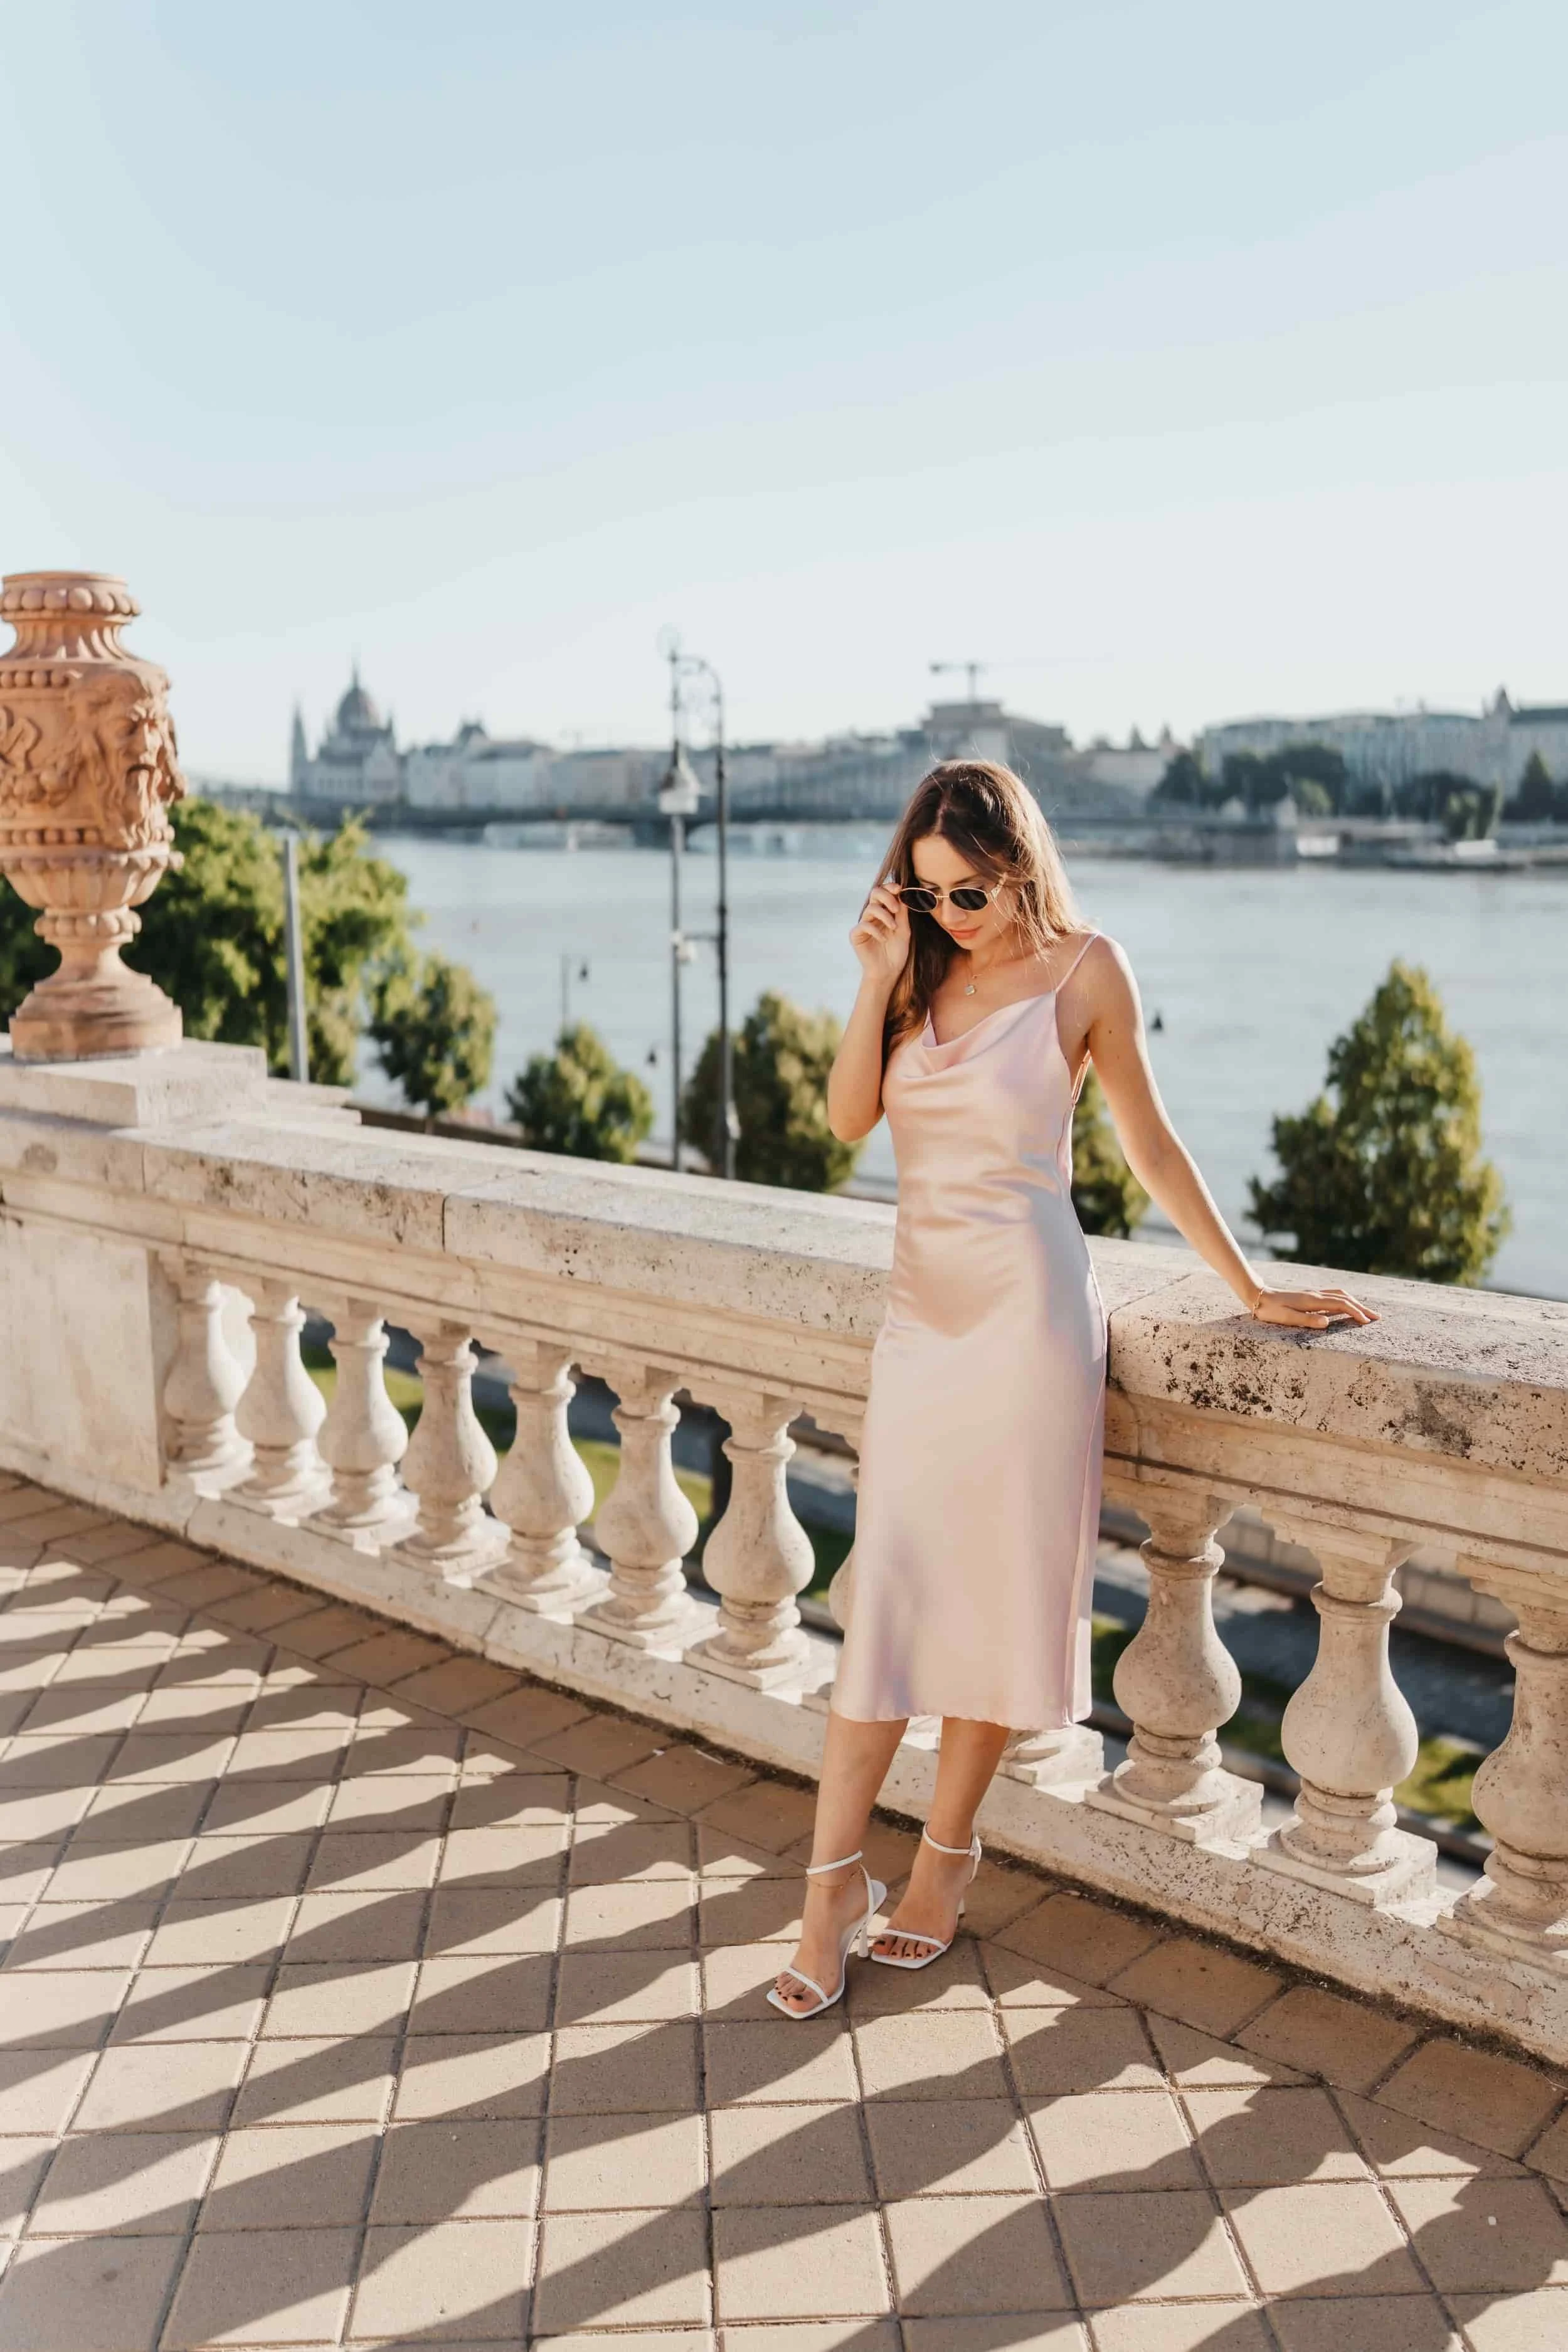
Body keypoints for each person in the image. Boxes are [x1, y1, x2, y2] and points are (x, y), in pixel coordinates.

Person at [767, 760, 1376, 2019]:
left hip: (1030, 1326)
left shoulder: (1087, 971)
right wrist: (876, 976)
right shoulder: (917, 970)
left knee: (992, 1599)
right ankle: (828, 1885)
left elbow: (1146, 1144)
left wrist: (1250, 1288)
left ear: (1019, 858)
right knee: (884, 1605)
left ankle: (939, 1864)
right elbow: (841, 1122)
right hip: (919, 1330)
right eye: (929, 894)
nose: (954, 915)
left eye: (972, 890)